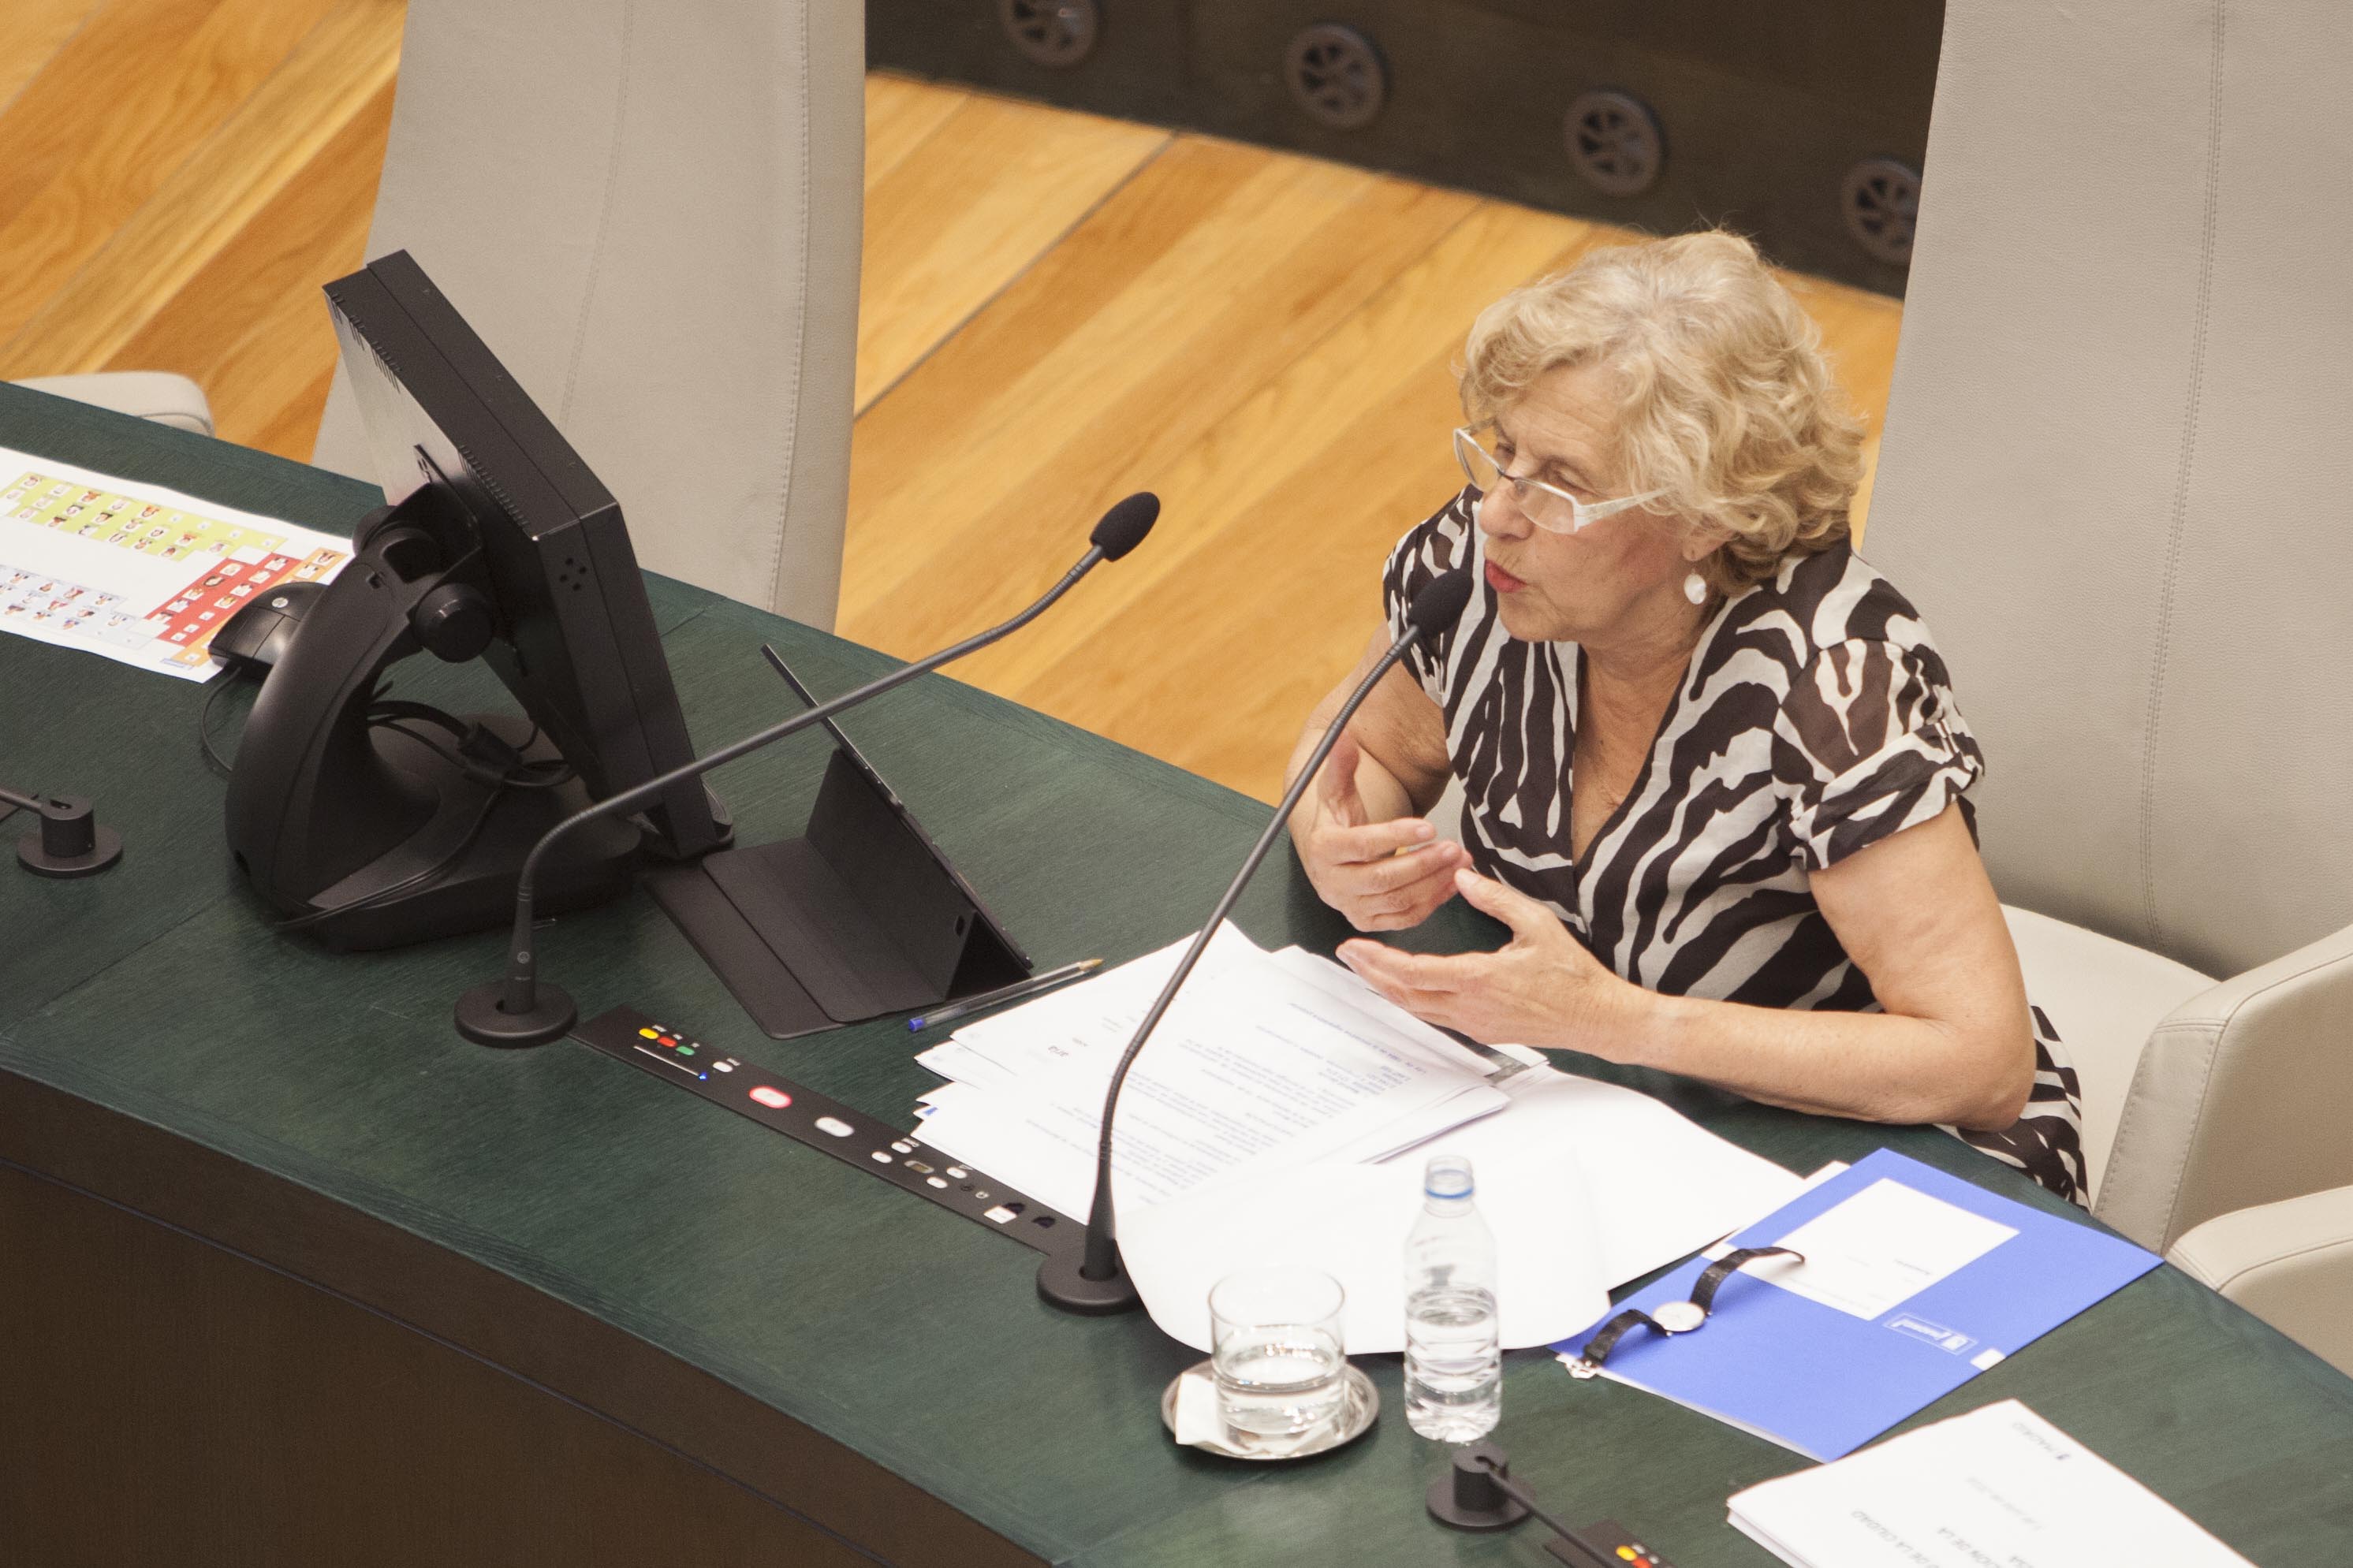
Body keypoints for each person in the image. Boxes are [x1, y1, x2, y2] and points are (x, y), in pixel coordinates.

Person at [1287, 231, 2083, 1201]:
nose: (1499, 509)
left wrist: (1610, 1021)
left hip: (1858, 1157)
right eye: (1502, 454)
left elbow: (1977, 1066)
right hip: (1578, 1107)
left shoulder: (1831, 684)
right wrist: (1339, 844)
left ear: (1703, 516)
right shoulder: (1487, 569)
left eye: (1561, 483)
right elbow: (1365, 749)